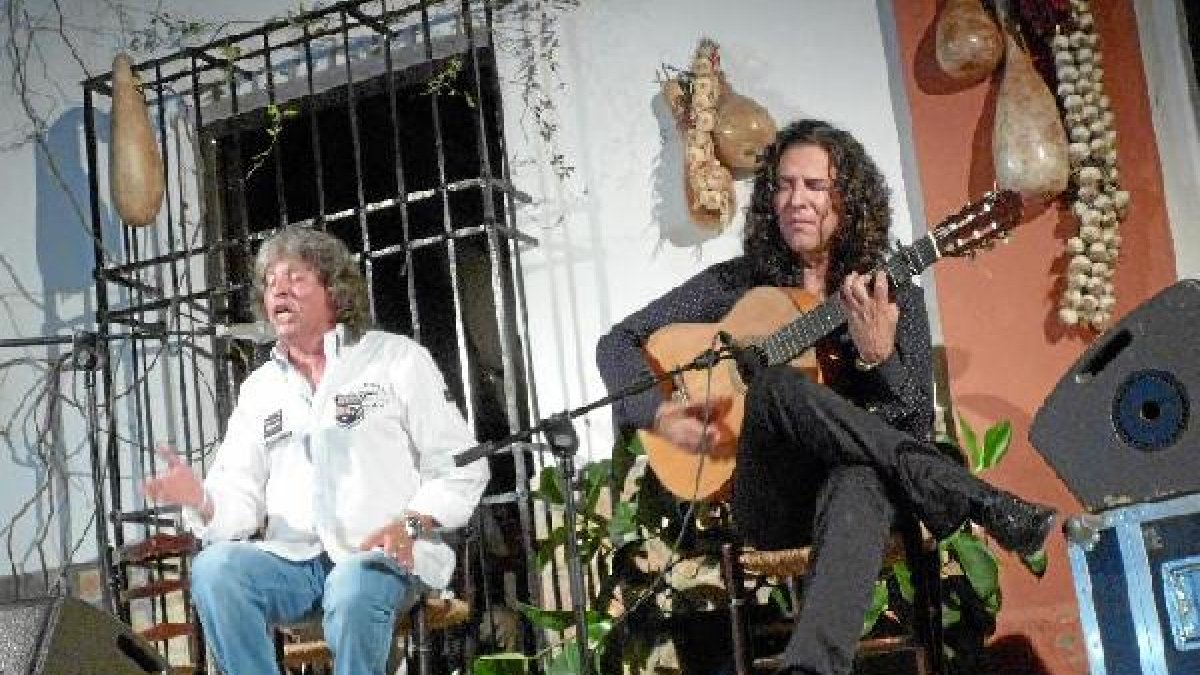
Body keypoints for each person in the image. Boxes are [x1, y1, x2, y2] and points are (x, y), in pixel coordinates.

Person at [595, 119, 1055, 675]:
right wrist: (660, 414)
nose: (797, 201)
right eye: (785, 186)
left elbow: (907, 427)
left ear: (849, 198)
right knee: (776, 386)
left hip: (858, 501)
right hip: (771, 499)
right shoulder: (737, 284)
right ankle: (970, 496)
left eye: (815, 186)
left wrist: (880, 358)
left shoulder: (890, 291)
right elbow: (617, 343)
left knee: (859, 477)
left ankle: (809, 667)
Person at [144, 226, 490, 675]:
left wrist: (408, 522)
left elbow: (461, 465)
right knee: (216, 570)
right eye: (270, 283)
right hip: (297, 564)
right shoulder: (260, 390)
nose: (279, 291)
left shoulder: (394, 359)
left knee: (351, 585)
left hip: (383, 556)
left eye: (296, 278)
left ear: (334, 290)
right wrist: (202, 500)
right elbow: (238, 494)